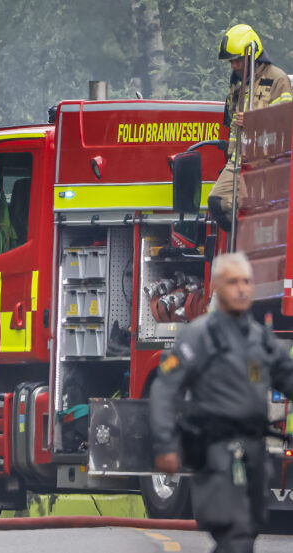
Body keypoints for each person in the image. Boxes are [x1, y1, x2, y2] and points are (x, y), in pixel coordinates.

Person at [150, 252, 293, 553]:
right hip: (217, 452)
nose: (241, 288)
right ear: (216, 285)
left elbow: (288, 378)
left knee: (246, 534)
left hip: (254, 452)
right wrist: (165, 445)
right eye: (232, 282)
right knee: (236, 533)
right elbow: (165, 392)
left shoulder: (260, 338)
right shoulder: (198, 337)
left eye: (246, 282)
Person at [207, 24, 292, 230]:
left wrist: (256, 121)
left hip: (265, 164)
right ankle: (252, 233)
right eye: (231, 61)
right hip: (237, 162)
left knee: (252, 207)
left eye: (238, 59)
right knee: (216, 201)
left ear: (253, 54)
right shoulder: (237, 83)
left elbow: (286, 122)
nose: (234, 65)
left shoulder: (277, 79)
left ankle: (261, 236)